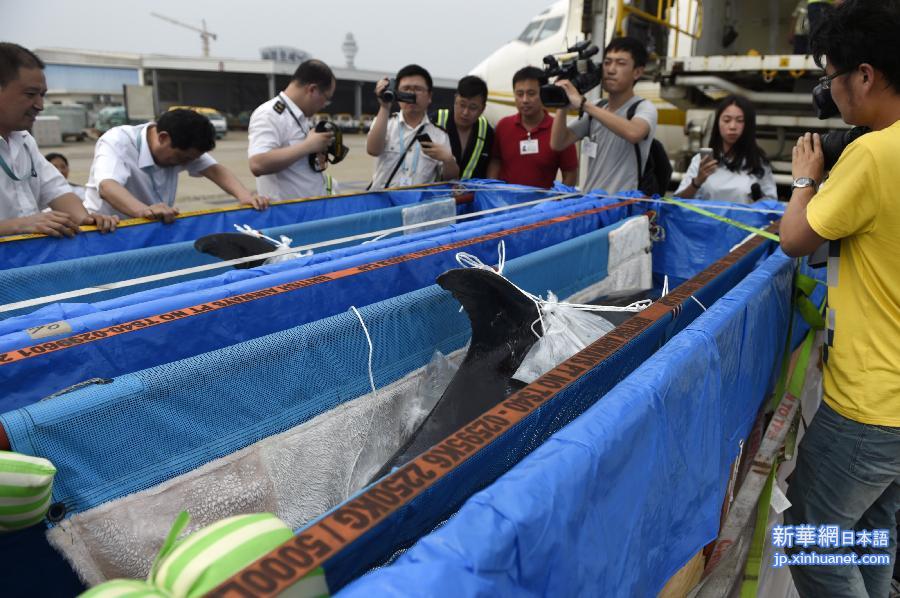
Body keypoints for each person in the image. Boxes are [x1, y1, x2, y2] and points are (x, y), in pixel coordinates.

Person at [779, 1, 900, 596]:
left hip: (871, 402)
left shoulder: (875, 154)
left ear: (866, 75)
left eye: (831, 77)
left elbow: (795, 240)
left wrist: (805, 177)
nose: (830, 91)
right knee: (872, 529)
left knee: (808, 536)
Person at [0, 43, 117, 237]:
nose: (40, 105)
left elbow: (55, 190)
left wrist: (86, 219)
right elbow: (26, 223)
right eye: (30, 94)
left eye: (42, 95)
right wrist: (19, 225)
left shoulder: (24, 140)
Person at [85, 109, 266, 223]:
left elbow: (214, 169)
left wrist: (245, 196)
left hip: (152, 226)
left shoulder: (184, 146)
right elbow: (107, 187)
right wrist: (144, 210)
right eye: (182, 158)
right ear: (163, 137)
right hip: (107, 229)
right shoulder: (119, 141)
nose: (186, 163)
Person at [549, 37, 656, 194]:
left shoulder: (643, 107)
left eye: (620, 63)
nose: (610, 70)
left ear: (638, 72)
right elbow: (558, 143)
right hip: (592, 204)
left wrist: (583, 103)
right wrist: (562, 101)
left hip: (622, 206)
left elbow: (634, 133)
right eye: (607, 62)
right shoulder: (598, 107)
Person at [248, 59, 337, 200]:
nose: (325, 105)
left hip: (309, 211)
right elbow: (257, 164)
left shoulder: (299, 116)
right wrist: (307, 146)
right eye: (326, 98)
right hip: (289, 215)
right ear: (312, 90)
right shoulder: (269, 114)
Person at [367, 64, 458, 189]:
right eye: (406, 89)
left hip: (418, 205)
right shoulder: (385, 123)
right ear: (397, 93)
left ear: (429, 96)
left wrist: (448, 160)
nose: (411, 93)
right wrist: (384, 106)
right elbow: (373, 150)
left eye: (418, 89)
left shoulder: (439, 135)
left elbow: (451, 179)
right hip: (383, 203)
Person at [674, 95, 776, 203]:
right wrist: (696, 182)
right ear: (717, 123)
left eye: (740, 120)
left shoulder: (758, 163)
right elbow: (678, 202)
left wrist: (760, 200)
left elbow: (771, 207)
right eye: (726, 120)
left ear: (749, 125)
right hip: (706, 220)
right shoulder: (701, 161)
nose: (732, 126)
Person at [431, 75, 494, 180]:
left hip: (469, 195)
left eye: (473, 108)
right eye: (462, 104)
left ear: (483, 109)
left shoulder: (487, 131)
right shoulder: (435, 121)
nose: (465, 112)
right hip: (435, 193)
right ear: (455, 99)